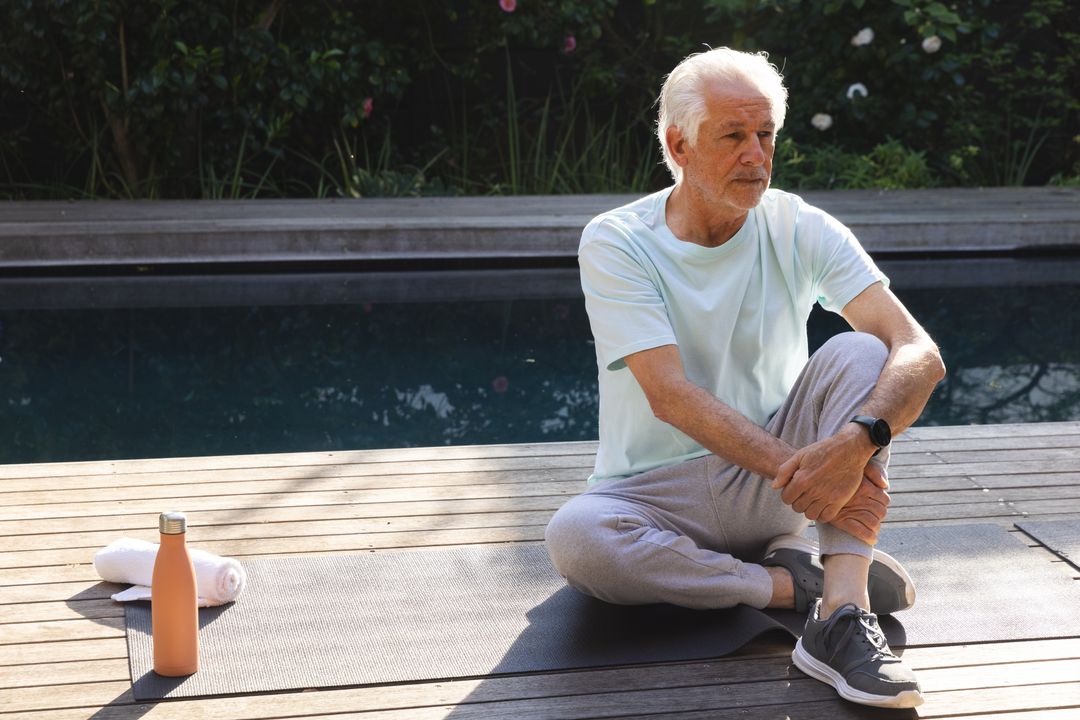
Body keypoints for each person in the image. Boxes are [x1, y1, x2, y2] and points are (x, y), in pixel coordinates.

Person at [544, 47, 945, 710]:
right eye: (733, 137)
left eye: (765, 136)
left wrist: (854, 446)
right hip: (655, 495)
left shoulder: (797, 224)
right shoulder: (617, 241)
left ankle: (840, 618)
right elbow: (669, 395)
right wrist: (813, 474)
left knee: (863, 353)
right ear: (679, 144)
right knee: (577, 539)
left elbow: (919, 351)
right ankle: (792, 585)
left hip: (775, 488)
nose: (756, 156)